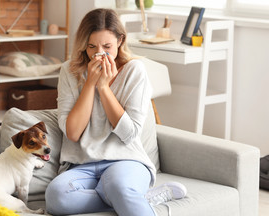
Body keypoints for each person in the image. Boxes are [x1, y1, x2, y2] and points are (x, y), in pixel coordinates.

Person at [45, 8, 185, 216]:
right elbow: (73, 133)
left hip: (125, 160)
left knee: (118, 187)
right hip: (81, 164)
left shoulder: (134, 71)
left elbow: (129, 134)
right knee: (57, 198)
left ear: (120, 41)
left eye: (107, 46)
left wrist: (103, 88)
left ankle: (126, 195)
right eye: (92, 46)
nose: (99, 53)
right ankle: (136, 198)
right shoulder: (69, 71)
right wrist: (90, 84)